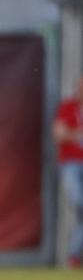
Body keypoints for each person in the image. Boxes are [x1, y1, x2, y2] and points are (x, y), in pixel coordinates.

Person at [54, 75, 83, 269]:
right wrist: (77, 135)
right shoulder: (68, 107)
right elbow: (58, 134)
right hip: (71, 165)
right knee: (80, 203)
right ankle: (74, 256)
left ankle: (74, 257)